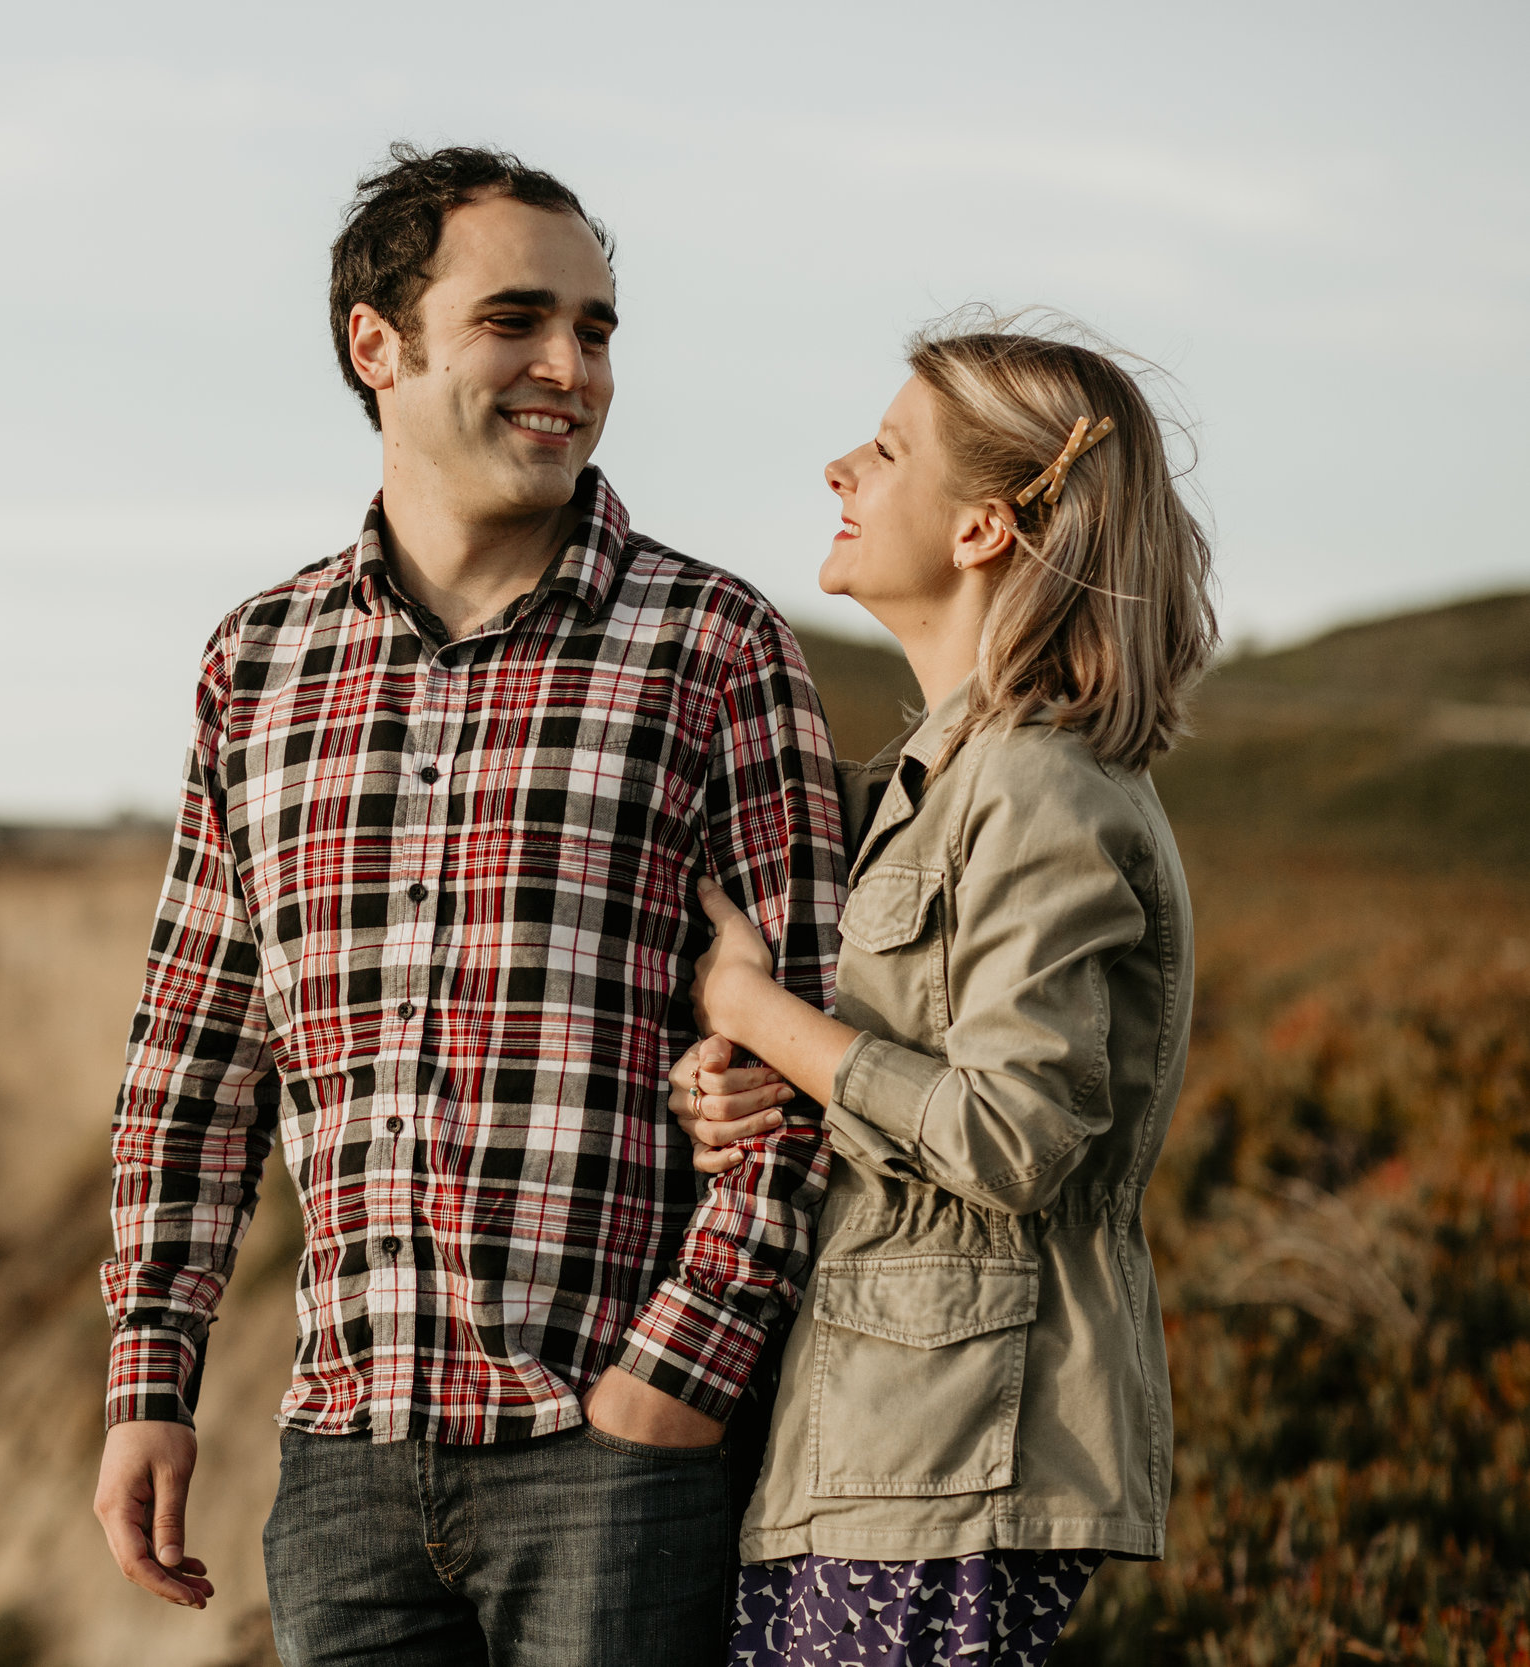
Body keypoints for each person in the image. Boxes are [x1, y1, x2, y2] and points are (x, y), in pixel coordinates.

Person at [90, 143, 851, 1665]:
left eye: (598, 328)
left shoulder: (712, 646)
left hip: (614, 1457)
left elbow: (822, 1043)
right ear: (380, 345)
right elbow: (198, 1052)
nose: (570, 366)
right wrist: (150, 1378)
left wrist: (676, 1380)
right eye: (517, 319)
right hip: (343, 1464)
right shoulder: (259, 661)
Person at [669, 320, 1218, 1663]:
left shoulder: (1039, 785)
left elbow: (1013, 1136)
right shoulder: (932, 779)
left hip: (951, 1458)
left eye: (888, 449)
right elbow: (892, 1090)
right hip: (872, 1444)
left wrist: (760, 1018)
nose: (841, 469)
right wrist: (733, 1086)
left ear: (983, 528)